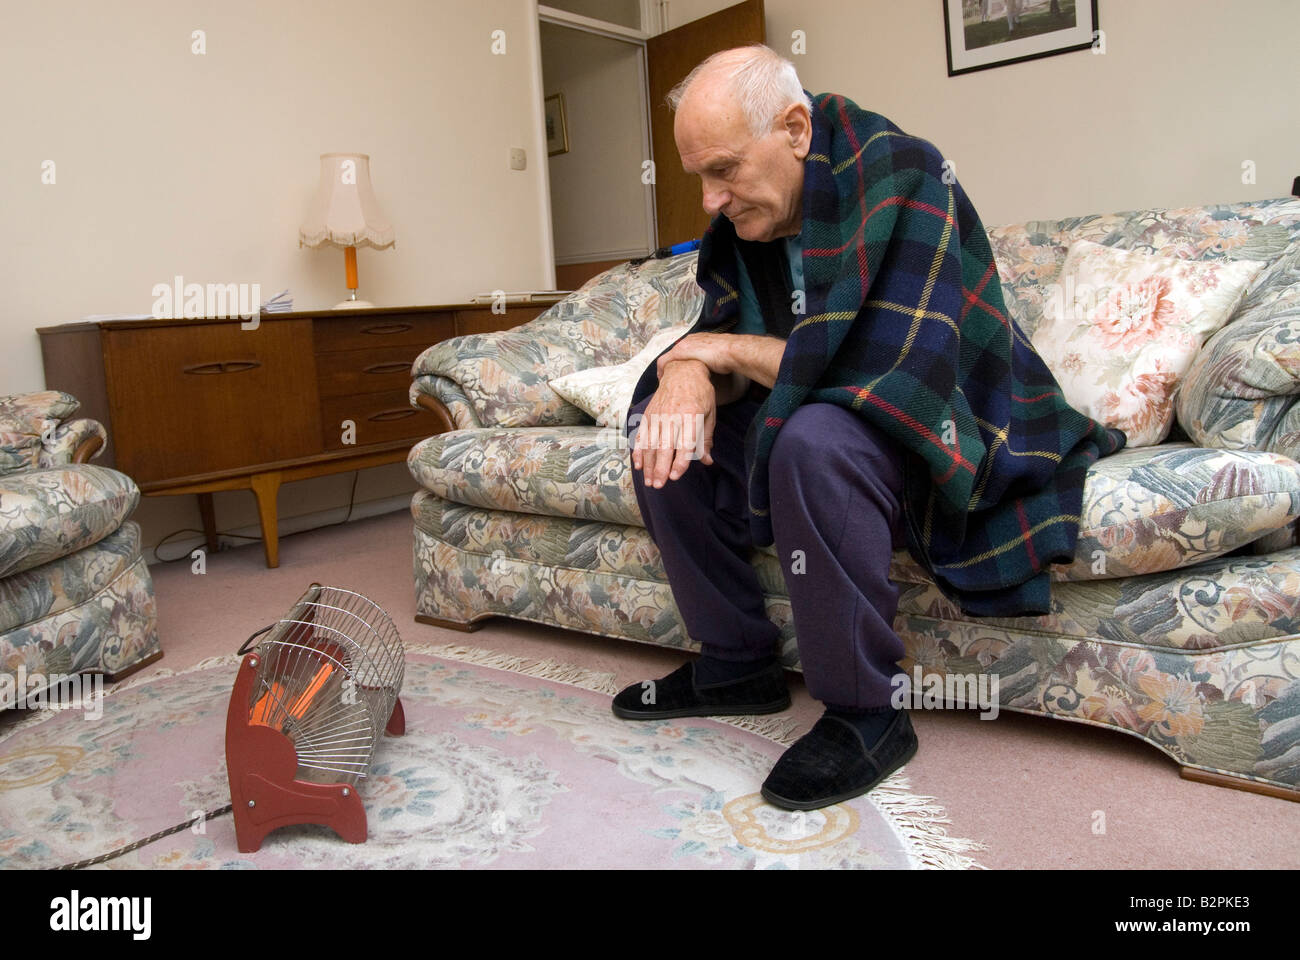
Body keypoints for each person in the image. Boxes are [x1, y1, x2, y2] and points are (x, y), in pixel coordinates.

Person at [611, 45, 1122, 811]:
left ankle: (867, 711)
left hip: (938, 412)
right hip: (833, 401)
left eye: (724, 170)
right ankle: (737, 663)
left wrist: (714, 352)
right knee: (666, 430)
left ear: (793, 128)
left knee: (813, 440)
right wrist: (686, 367)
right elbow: (717, 337)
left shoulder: (905, 175)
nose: (711, 200)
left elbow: (883, 372)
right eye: (700, 178)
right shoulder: (749, 224)